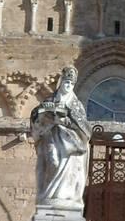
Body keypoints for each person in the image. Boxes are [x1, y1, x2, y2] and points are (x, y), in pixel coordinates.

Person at [29, 66, 91, 208]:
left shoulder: (76, 105)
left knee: (67, 170)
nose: (68, 86)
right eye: (66, 82)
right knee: (53, 162)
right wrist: (46, 115)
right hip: (51, 137)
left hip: (70, 143)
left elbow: (85, 129)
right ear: (60, 83)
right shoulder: (49, 100)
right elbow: (35, 117)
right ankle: (50, 196)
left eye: (71, 84)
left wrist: (65, 121)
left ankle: (64, 196)